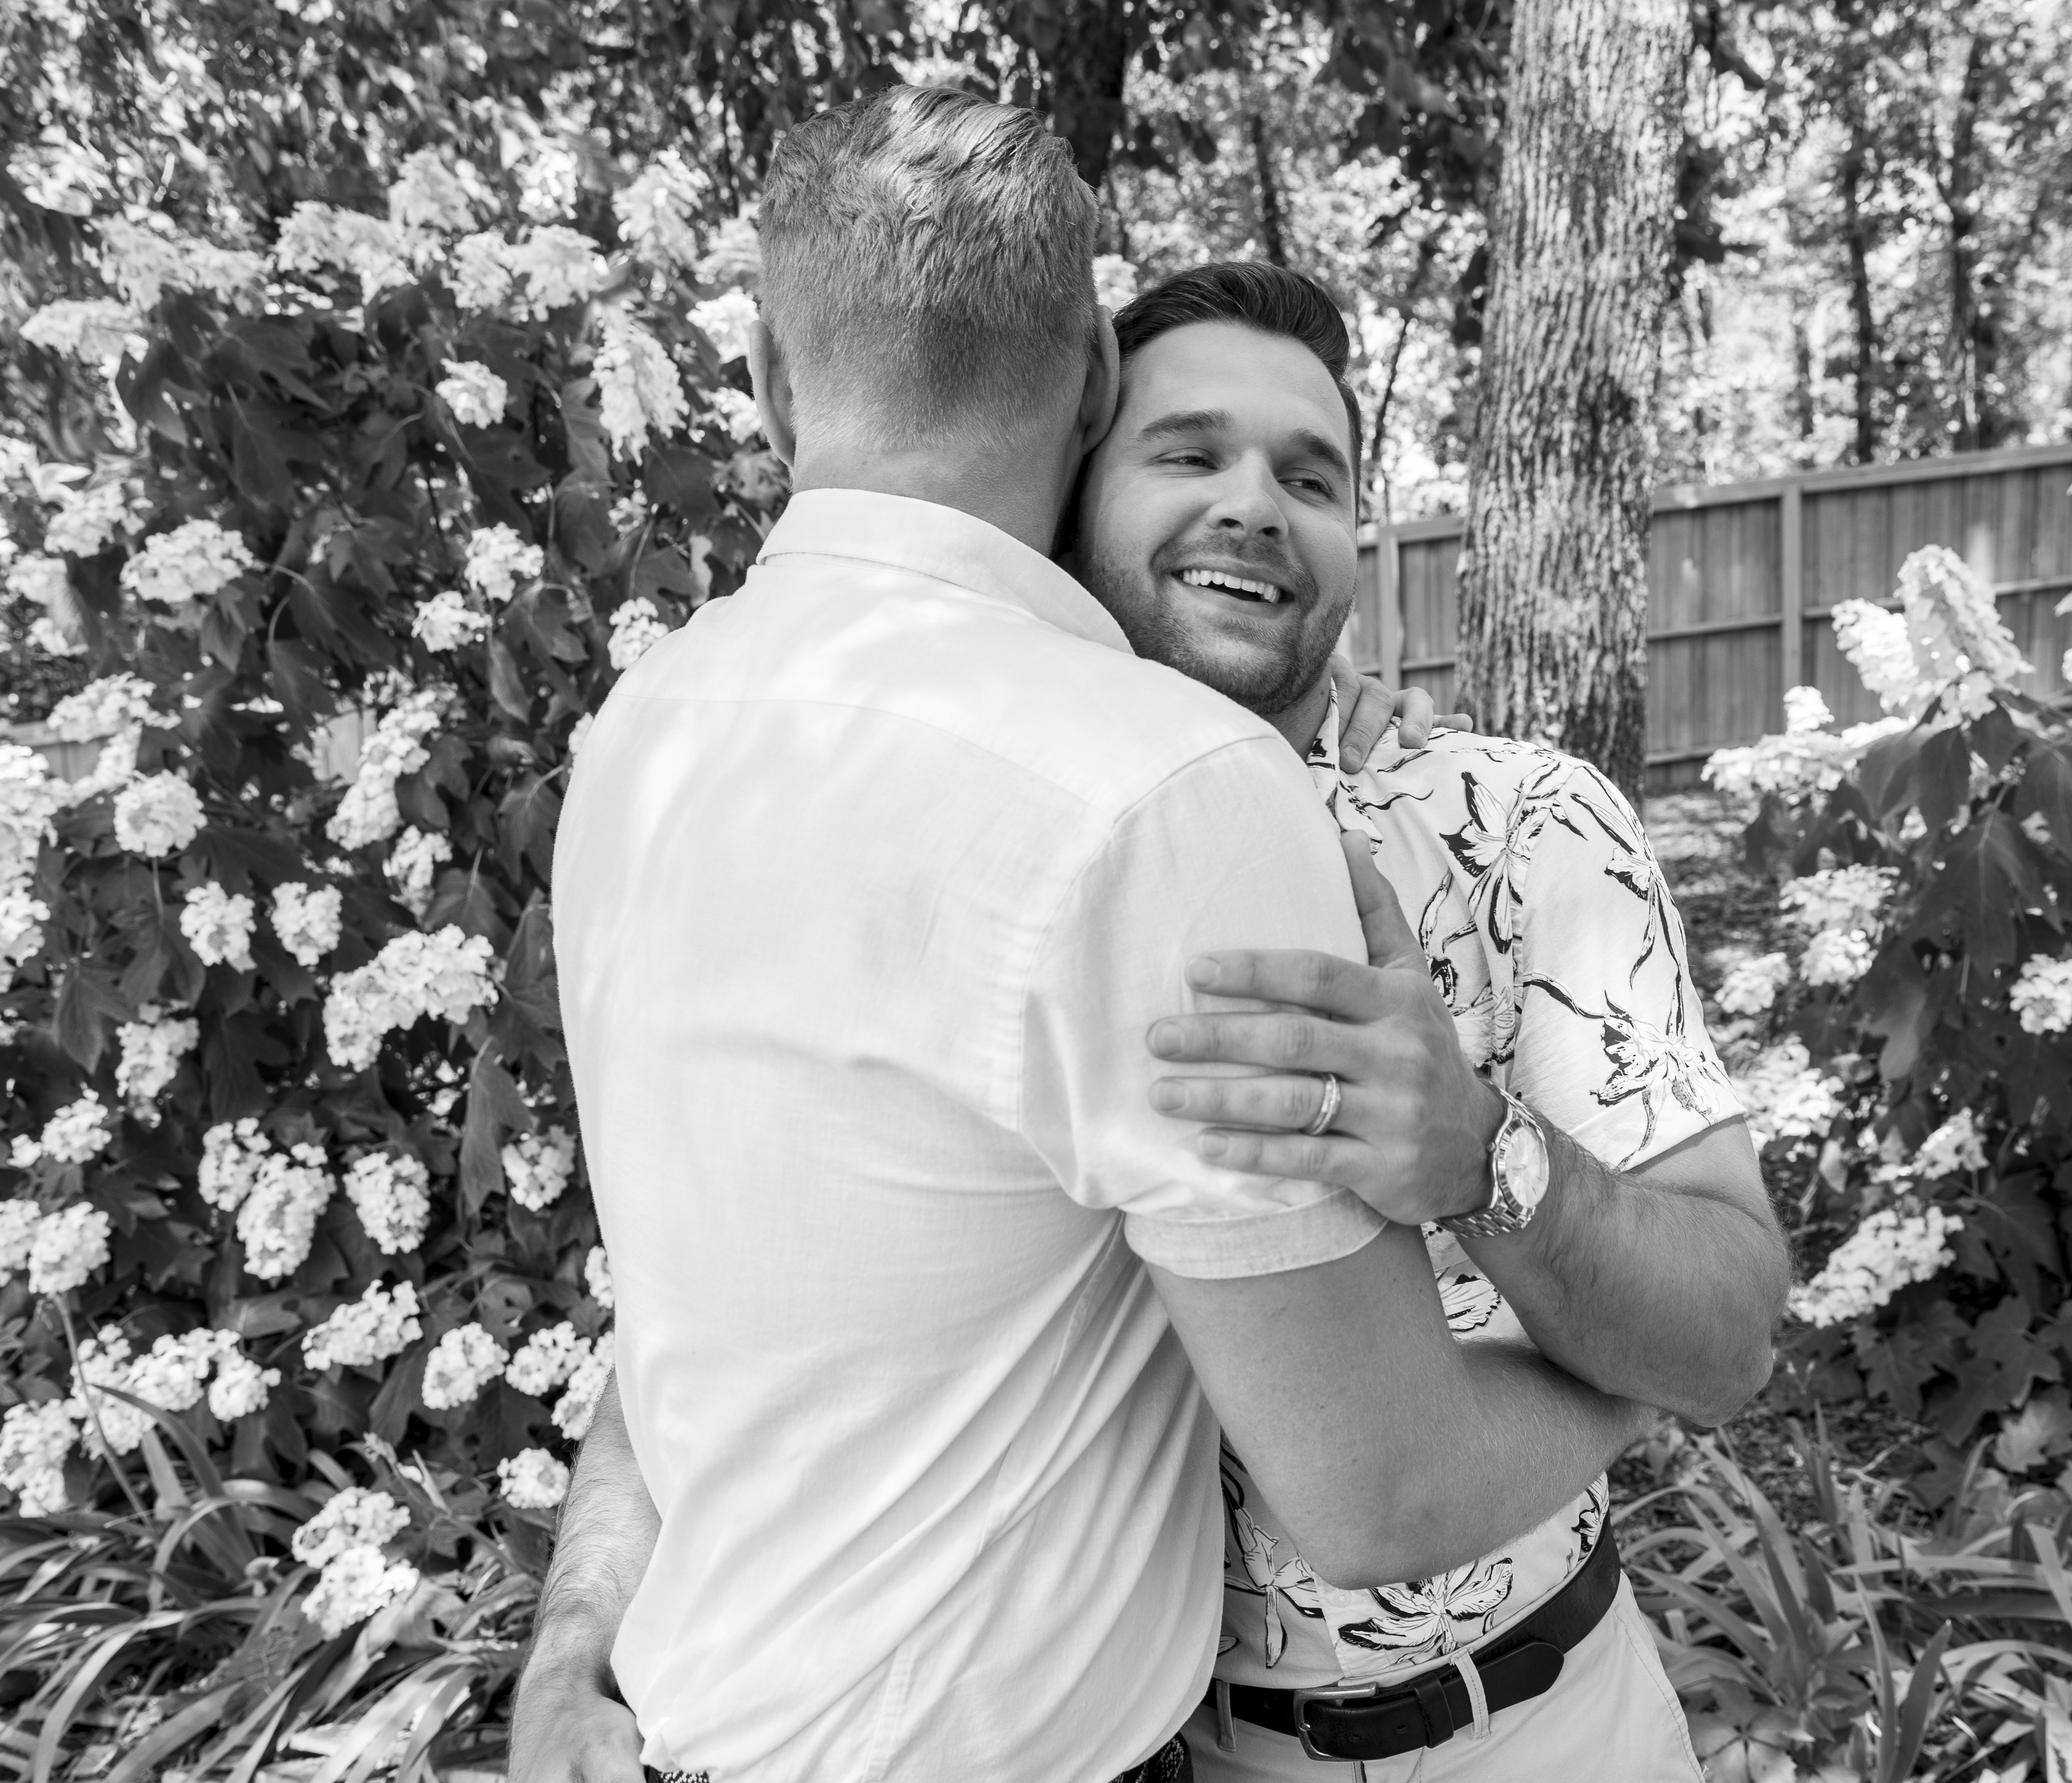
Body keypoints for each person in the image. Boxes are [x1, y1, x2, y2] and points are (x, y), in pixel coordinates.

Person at [530, 235, 1789, 1780]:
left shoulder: (1522, 827)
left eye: (1312, 477)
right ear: (1072, 492)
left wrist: (1482, 1156)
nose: (1255, 502)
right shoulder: (929, 842)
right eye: (1188, 452)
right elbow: (732, 1320)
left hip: (1538, 1732)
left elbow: (1730, 1317)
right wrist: (575, 1631)